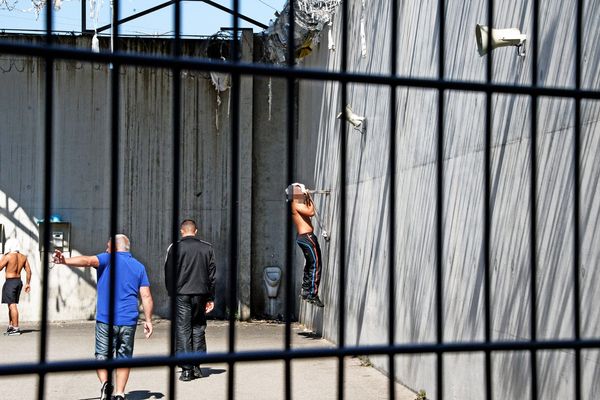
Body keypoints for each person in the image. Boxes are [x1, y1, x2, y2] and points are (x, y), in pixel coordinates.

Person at [53, 234, 154, 400]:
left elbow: (87, 261)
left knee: (102, 355)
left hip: (106, 319)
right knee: (124, 357)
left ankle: (106, 384)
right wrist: (148, 320)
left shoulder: (107, 259)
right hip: (129, 321)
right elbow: (147, 296)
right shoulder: (139, 267)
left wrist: (65, 261)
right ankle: (120, 394)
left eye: (108, 247)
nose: (106, 250)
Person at [164, 219, 216, 382]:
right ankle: (197, 366)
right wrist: (210, 297)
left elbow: (168, 273)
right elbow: (212, 275)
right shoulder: (207, 248)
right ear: (196, 231)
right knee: (199, 326)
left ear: (181, 231)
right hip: (200, 293)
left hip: (181, 293)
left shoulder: (174, 247)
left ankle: (186, 369)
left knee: (183, 328)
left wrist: (172, 293)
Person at [288, 183, 324, 307]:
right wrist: (308, 197)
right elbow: (311, 212)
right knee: (316, 264)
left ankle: (306, 290)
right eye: (299, 190)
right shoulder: (295, 203)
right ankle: (312, 295)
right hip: (307, 237)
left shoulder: (297, 203)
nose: (302, 191)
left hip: (304, 237)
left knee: (310, 264)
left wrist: (306, 197)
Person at [0, 238, 32, 336]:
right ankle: (11, 326)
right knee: (10, 304)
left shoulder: (8, 256)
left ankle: (16, 328)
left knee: (12, 305)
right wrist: (27, 283)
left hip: (10, 282)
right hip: (18, 282)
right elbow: (29, 271)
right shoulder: (23, 257)